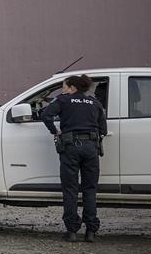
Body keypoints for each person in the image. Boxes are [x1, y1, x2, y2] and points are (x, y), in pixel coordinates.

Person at [41, 74, 107, 242]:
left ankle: (72, 232)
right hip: (91, 148)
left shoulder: (63, 100)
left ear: (72, 88)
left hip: (71, 148)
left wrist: (55, 131)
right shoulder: (94, 102)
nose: (63, 90)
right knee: (90, 189)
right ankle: (91, 232)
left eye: (64, 87)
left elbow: (46, 115)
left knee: (70, 190)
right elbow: (103, 129)